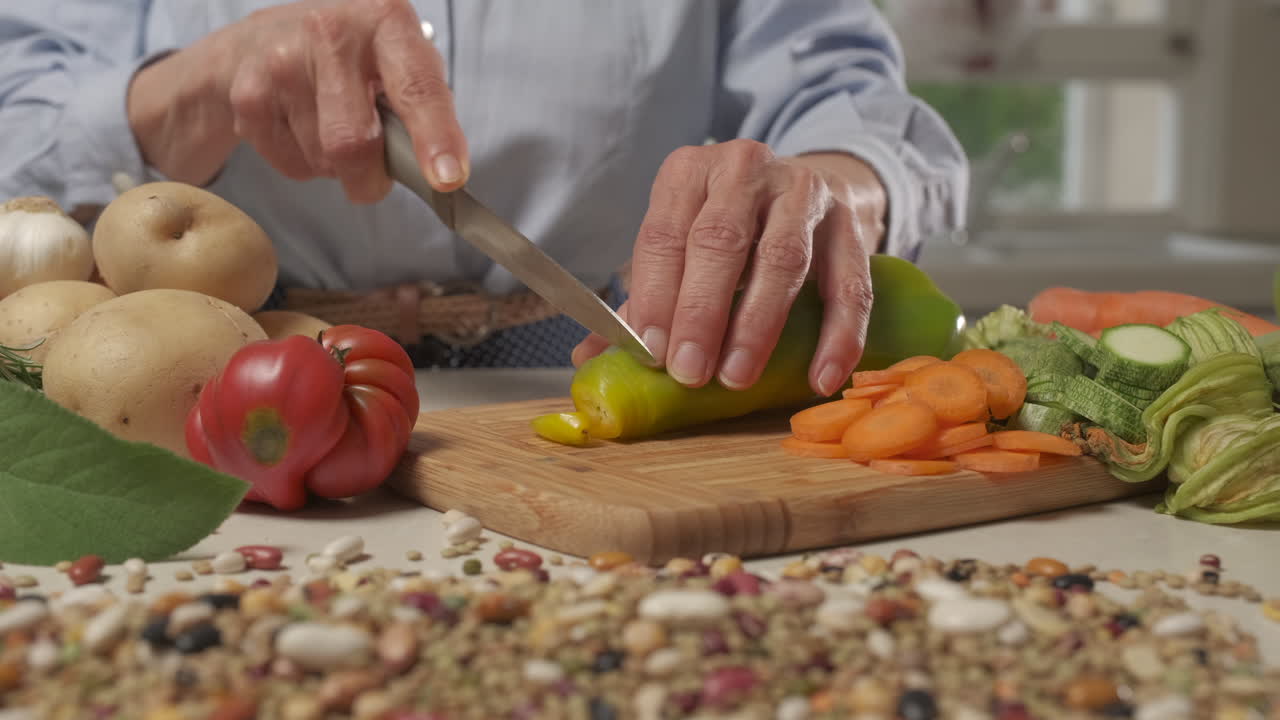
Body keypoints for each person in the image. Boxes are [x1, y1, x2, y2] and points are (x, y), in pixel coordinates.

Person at [0, 1, 967, 397]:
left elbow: (860, 109)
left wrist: (830, 188)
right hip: (203, 405)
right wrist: (195, 87)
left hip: (599, 380)